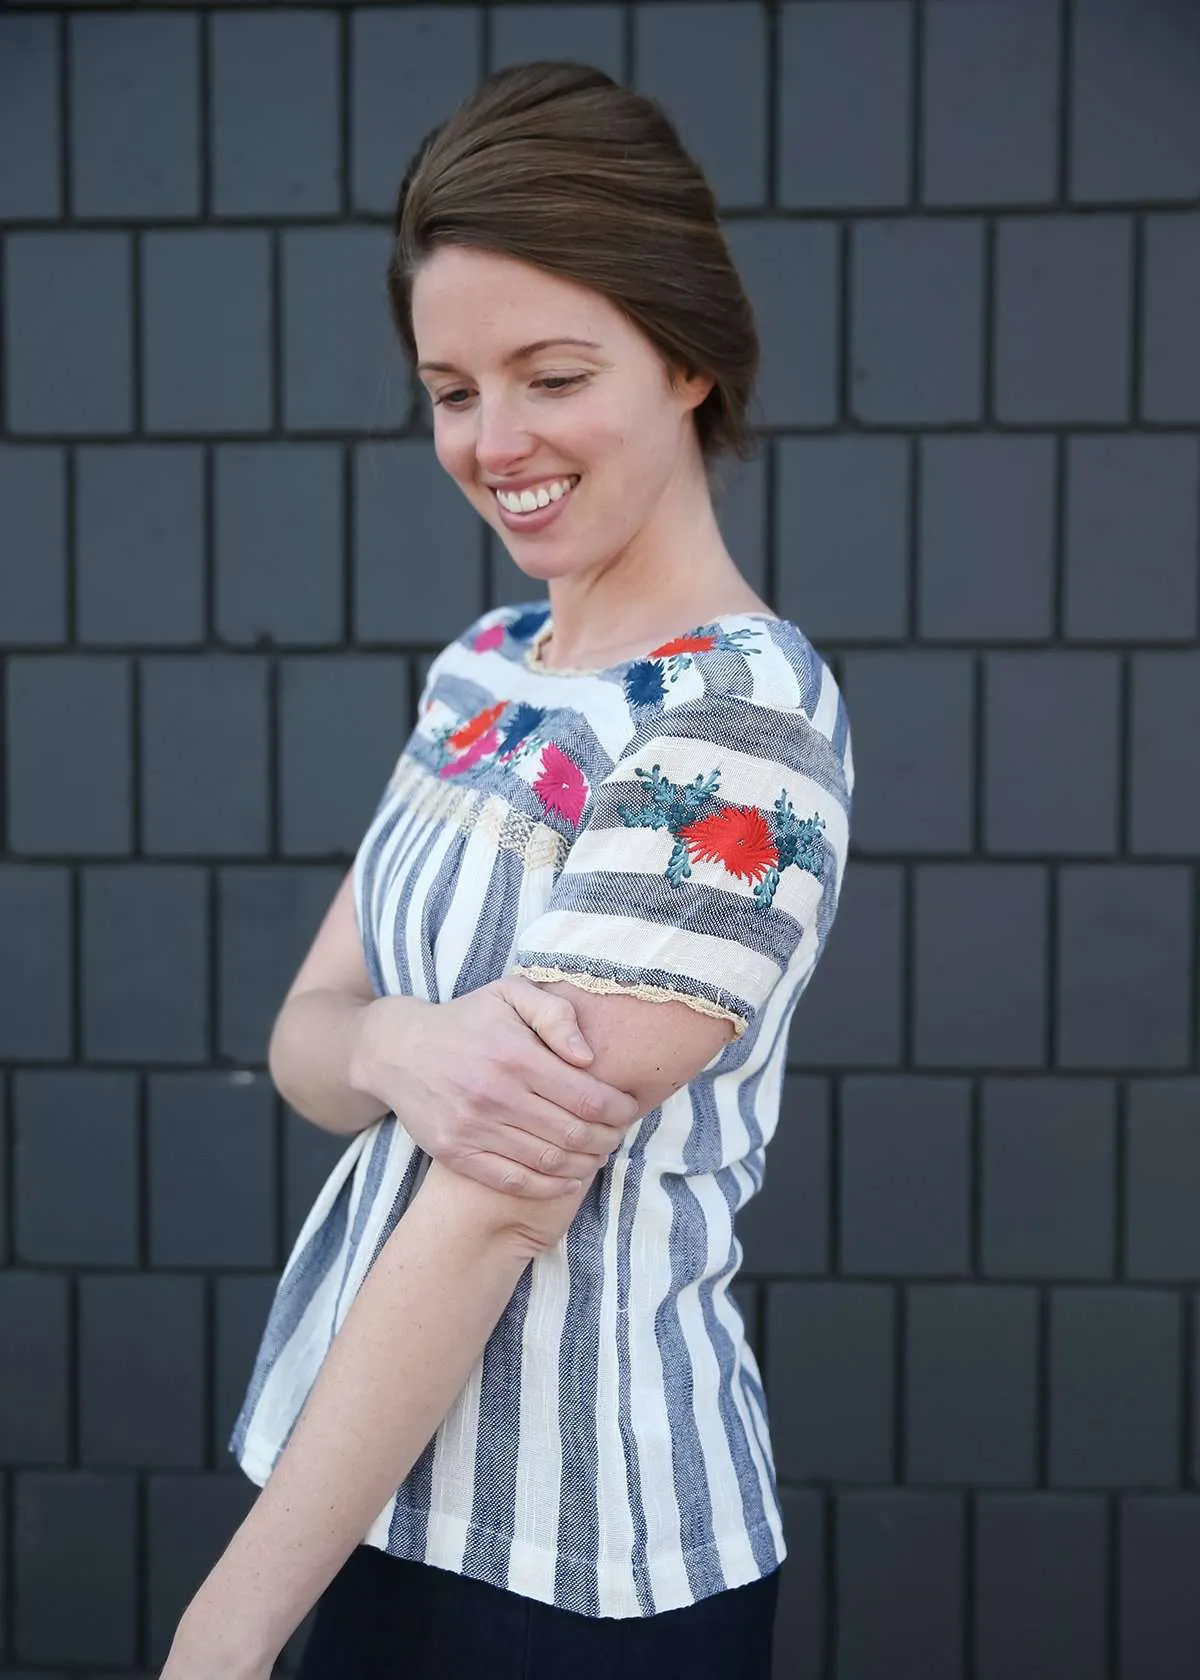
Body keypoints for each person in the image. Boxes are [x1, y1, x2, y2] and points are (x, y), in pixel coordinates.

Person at [158, 59, 854, 1680]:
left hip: (585, 1570)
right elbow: (310, 1042)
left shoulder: (735, 721)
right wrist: (407, 1041)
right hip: (373, 1500)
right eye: (453, 388)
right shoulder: (485, 665)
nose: (497, 442)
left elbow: (494, 1206)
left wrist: (227, 1625)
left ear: (685, 358)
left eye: (552, 374)